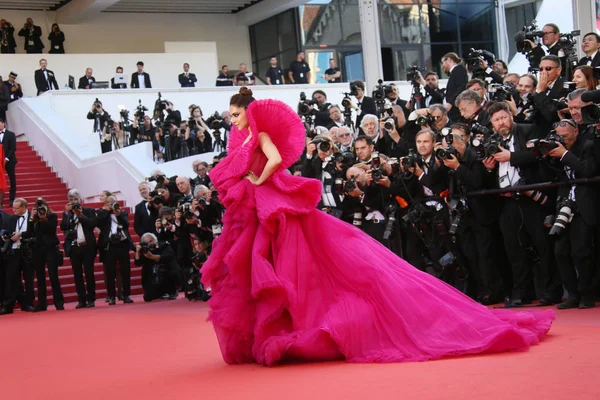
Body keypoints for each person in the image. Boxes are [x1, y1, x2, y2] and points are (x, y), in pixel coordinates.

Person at [200, 87, 555, 367]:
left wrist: (258, 178)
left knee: (286, 256)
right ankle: (280, 322)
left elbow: (276, 160)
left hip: (269, 200)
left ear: (249, 112)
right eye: (231, 117)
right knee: (261, 259)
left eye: (236, 115)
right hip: (253, 207)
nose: (233, 121)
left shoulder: (259, 136)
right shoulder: (242, 138)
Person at [0, 118, 17, 205]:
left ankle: (12, 198)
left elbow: (13, 148)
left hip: (9, 161)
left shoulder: (11, 134)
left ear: (3, 123)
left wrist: (6, 158)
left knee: (12, 179)